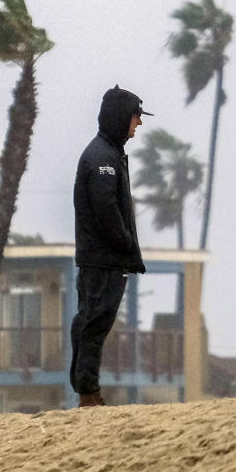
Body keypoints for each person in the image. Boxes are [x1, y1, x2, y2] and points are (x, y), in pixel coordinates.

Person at [70, 84, 152, 407]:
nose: (139, 125)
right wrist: (126, 242)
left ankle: (86, 388)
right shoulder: (102, 157)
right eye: (136, 117)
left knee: (89, 322)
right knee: (94, 323)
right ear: (122, 117)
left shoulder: (107, 153)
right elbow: (107, 211)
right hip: (102, 261)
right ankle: (88, 393)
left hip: (102, 259)